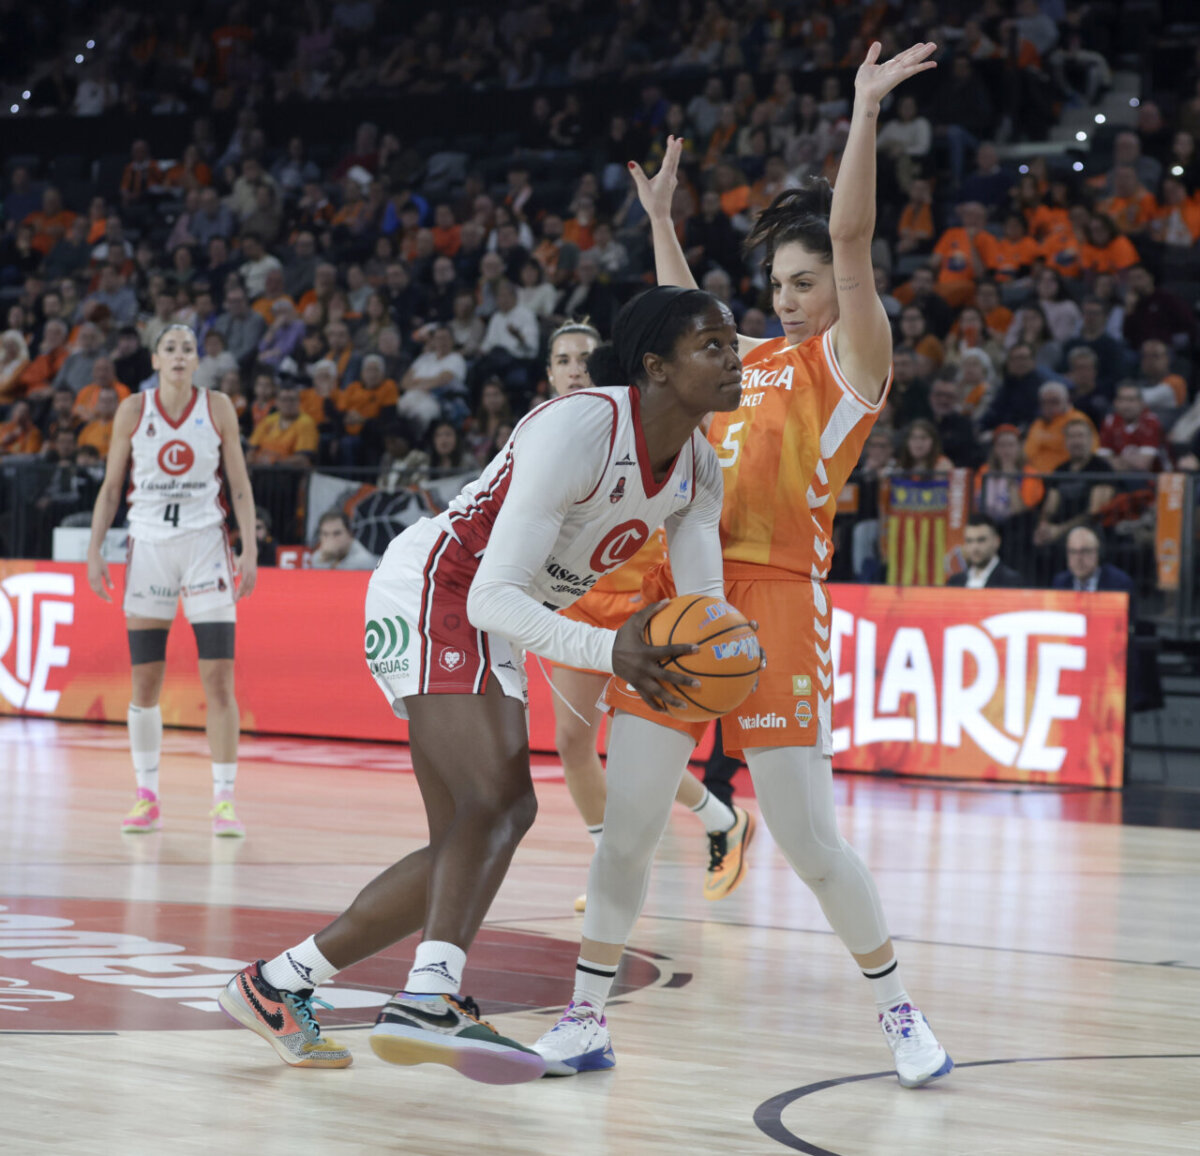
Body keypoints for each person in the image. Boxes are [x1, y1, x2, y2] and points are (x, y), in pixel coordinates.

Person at [534, 43, 952, 1092]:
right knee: (626, 826)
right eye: (780, 284)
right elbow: (681, 325)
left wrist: (862, 112)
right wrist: (664, 223)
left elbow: (854, 242)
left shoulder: (846, 365)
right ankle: (585, 1018)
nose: (792, 297)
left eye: (805, 283)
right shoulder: (745, 362)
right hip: (684, 598)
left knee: (812, 842)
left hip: (775, 604)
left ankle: (899, 1011)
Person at [218, 286, 745, 1083]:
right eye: (714, 346)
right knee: (504, 804)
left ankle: (277, 984)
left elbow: (705, 613)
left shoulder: (699, 469)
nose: (735, 359)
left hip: (496, 611)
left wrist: (723, 661)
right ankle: (430, 995)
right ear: (657, 368)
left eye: (734, 343)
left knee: (465, 840)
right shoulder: (580, 427)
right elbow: (494, 592)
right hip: (441, 587)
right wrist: (611, 650)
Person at [540, 319, 750, 914]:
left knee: (634, 751)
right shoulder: (543, 431)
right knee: (573, 743)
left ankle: (718, 821)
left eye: (585, 355)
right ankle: (620, 864)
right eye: (562, 359)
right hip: (576, 604)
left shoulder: (651, 424)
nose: (575, 365)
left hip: (644, 604)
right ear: (549, 374)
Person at [86, 324, 257, 837]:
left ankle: (224, 801)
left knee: (219, 680)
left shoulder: (218, 406)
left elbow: (240, 484)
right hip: (150, 549)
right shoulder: (133, 411)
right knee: (146, 682)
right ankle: (146, 796)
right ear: (156, 360)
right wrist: (95, 550)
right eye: (171, 349)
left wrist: (248, 549)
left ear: (197, 359)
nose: (180, 356)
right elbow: (112, 486)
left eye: (188, 349)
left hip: (207, 547)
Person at [1052, 526, 1134, 594]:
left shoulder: (1119, 583)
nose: (1078, 558)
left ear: (1097, 552)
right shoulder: (1060, 583)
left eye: (1085, 551)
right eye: (1073, 552)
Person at [948, 514, 1023, 588]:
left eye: (981, 540)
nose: (975, 547)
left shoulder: (1012, 582)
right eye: (969, 541)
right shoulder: (954, 582)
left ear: (997, 541)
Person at [310, 510, 378, 570]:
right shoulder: (318, 557)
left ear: (349, 534)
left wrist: (328, 561)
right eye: (325, 534)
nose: (331, 539)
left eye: (336, 533)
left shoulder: (363, 561)